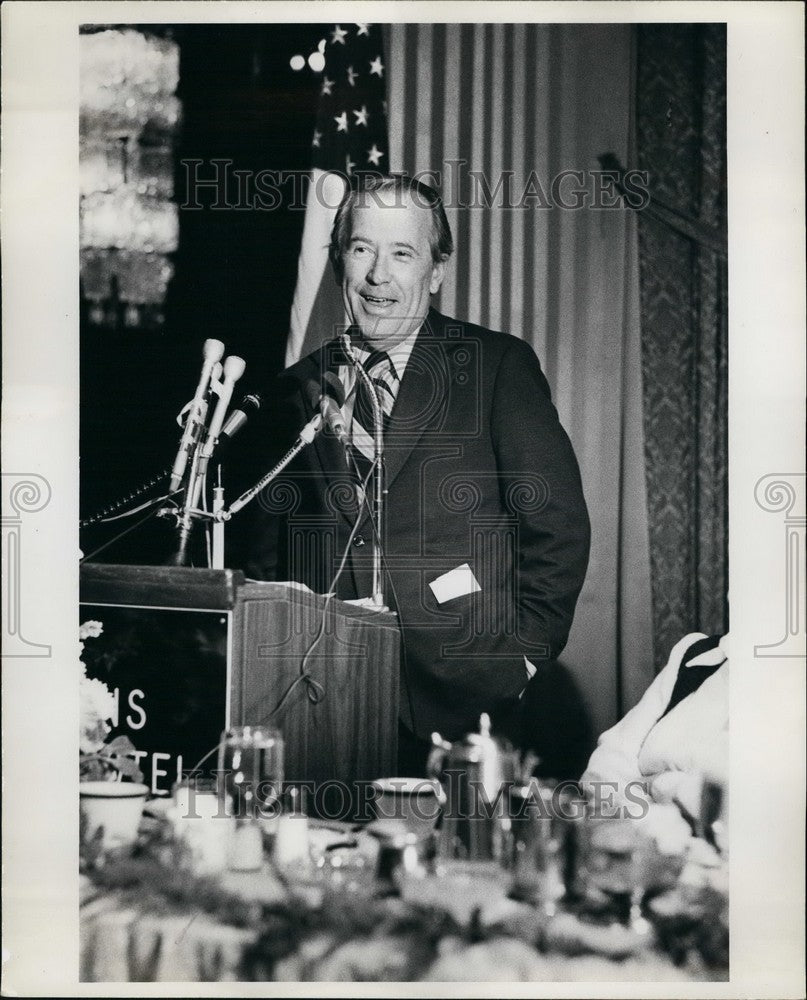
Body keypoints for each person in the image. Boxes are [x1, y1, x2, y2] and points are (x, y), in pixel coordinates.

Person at [249, 174, 590, 772]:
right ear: (338, 264)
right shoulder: (296, 389)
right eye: (362, 249)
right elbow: (266, 558)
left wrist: (521, 660)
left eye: (402, 253)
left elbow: (556, 527)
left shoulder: (495, 367)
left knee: (459, 866)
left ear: (434, 272)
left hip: (465, 700)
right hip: (321, 708)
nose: (379, 275)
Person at [580, 632, 729, 822]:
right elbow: (605, 765)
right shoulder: (699, 655)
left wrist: (655, 783)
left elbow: (730, 806)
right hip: (634, 838)